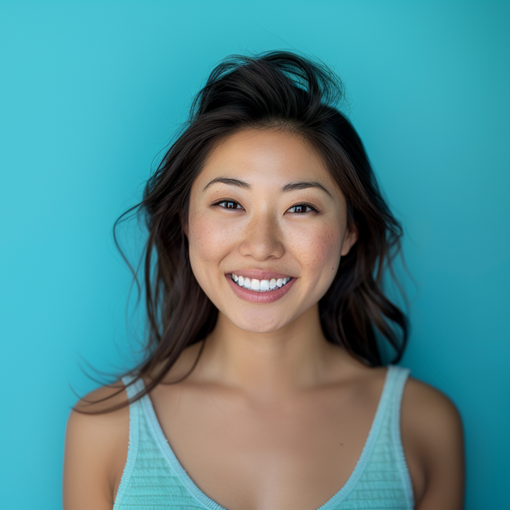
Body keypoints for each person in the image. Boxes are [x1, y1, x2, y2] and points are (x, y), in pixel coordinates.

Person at [62, 50, 465, 510]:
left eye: (301, 207)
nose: (261, 246)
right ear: (187, 223)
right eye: (230, 204)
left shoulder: (424, 427)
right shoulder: (105, 429)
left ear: (350, 232)